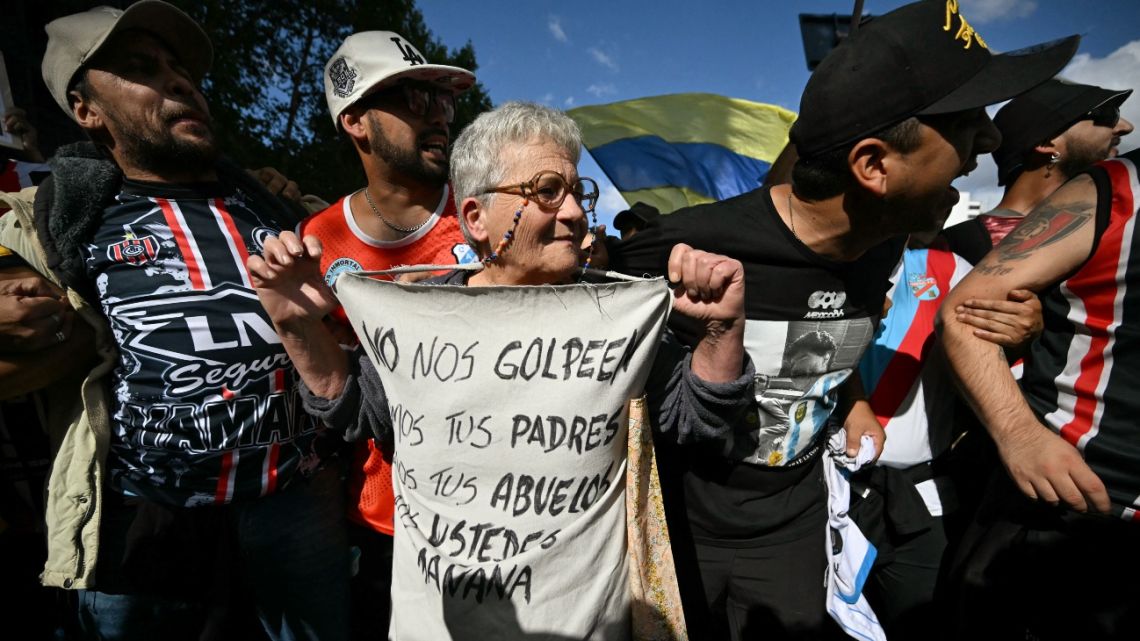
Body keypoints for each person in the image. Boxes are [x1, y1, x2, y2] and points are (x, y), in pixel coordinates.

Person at [610, 1, 1078, 637]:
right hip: (684, 536)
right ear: (874, 167)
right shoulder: (675, 252)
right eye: (967, 123)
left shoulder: (882, 243)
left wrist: (850, 398)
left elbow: (826, 341)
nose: (992, 143)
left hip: (796, 534)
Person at [248, 101, 754, 640]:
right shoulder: (421, 314)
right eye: (545, 191)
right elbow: (357, 410)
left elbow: (696, 421)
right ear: (475, 219)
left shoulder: (617, 315)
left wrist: (721, 333)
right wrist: (298, 326)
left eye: (577, 192)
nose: (576, 212)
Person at [0, 3, 349, 639]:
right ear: (87, 111)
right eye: (140, 70)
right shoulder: (47, 221)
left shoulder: (272, 202)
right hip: (146, 519)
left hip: (294, 502)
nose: (178, 81)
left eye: (178, 68)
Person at [303, 30, 479, 638]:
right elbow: (330, 389)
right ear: (355, 121)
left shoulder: (488, 213)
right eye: (412, 97)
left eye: (442, 98)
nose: (438, 114)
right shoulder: (317, 240)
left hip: (500, 508)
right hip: (384, 523)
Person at [939, 141, 1140, 639]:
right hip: (1079, 513)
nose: (1123, 124)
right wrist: (1019, 435)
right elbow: (962, 316)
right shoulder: (1120, 188)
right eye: (1099, 117)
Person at [942, 78, 1133, 263]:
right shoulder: (954, 248)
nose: (1126, 127)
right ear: (1048, 142)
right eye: (1107, 114)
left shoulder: (1114, 228)